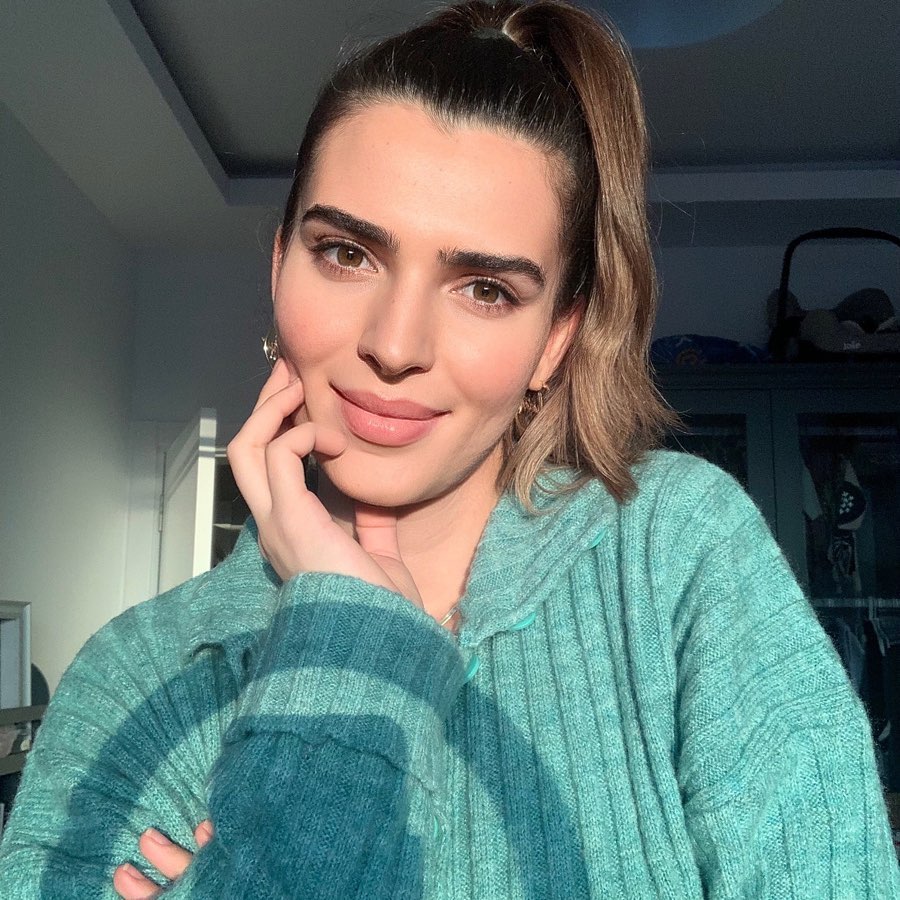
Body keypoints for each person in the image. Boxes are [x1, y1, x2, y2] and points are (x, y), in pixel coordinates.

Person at [1, 0, 898, 896]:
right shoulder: (137, 673)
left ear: (555, 340)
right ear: (279, 266)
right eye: (346, 253)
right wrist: (345, 648)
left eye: (485, 289)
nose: (395, 345)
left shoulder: (676, 557)